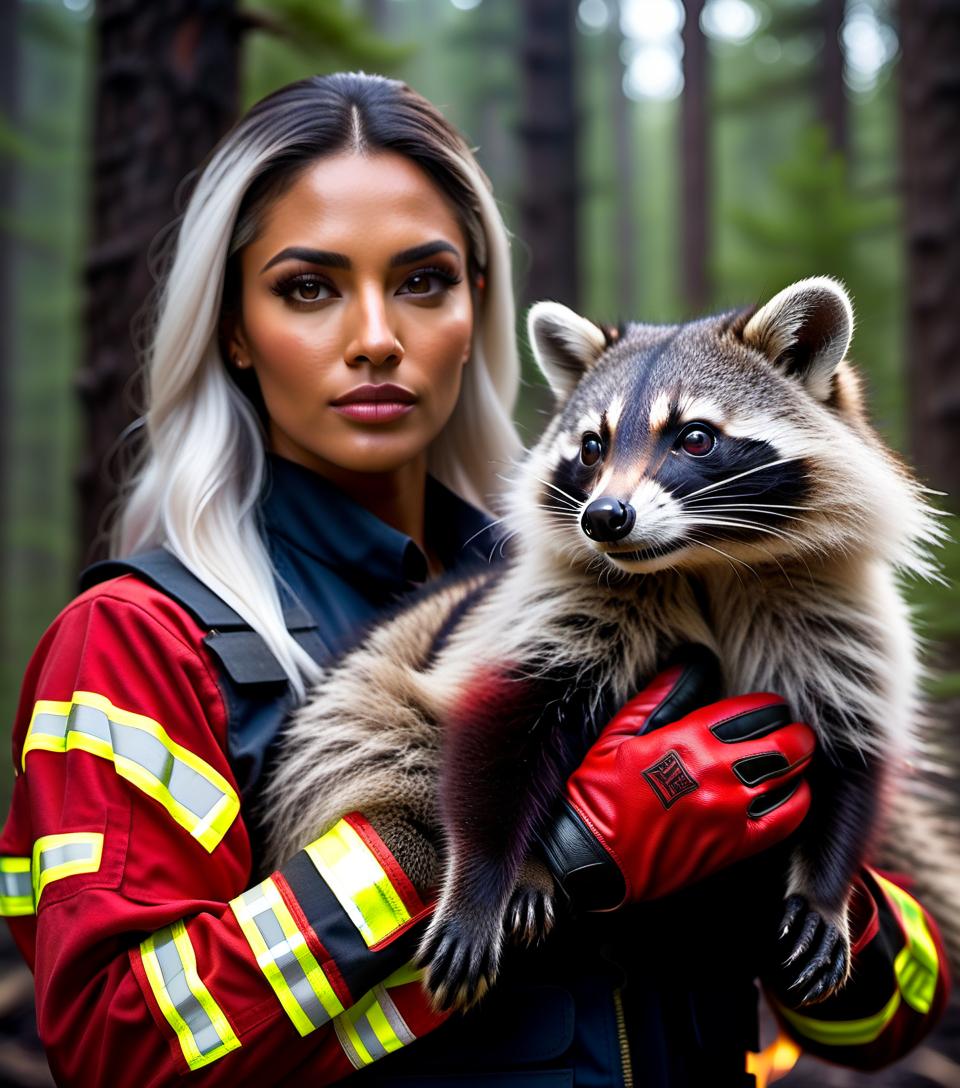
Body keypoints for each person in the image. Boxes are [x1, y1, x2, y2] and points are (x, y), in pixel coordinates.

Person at [0, 72, 949, 1087]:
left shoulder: (660, 572)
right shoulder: (139, 639)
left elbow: (887, 1019)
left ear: (475, 307)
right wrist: (560, 846)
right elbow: (120, 1048)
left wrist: (767, 867)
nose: (376, 337)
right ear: (234, 327)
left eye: (422, 281)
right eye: (308, 286)